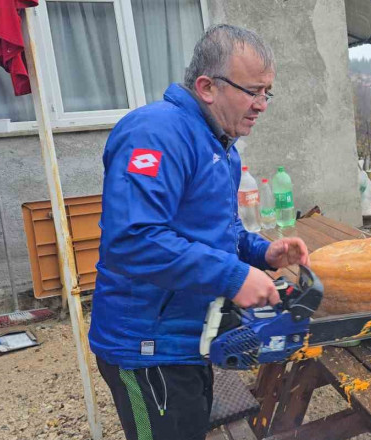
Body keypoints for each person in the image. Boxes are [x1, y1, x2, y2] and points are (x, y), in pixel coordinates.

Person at [88, 25, 309, 440]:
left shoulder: (218, 145)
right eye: (253, 91)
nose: (262, 105)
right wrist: (234, 276)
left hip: (187, 339)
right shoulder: (156, 133)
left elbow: (216, 233)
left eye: (267, 93)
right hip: (146, 349)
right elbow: (133, 239)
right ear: (208, 87)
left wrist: (264, 254)